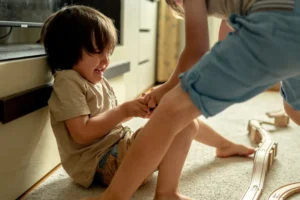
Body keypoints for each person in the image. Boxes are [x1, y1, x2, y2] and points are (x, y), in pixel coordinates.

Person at [85, 0, 300, 199]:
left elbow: (196, 50)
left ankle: (114, 197)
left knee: (171, 109)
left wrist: (168, 88)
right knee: (294, 109)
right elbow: (226, 40)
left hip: (280, 21)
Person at [40, 4, 254, 197]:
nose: (106, 61)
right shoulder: (67, 81)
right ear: (67, 49)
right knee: (182, 122)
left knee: (179, 114)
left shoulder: (92, 77)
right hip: (98, 162)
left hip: (115, 149)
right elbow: (82, 133)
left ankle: (223, 145)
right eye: (97, 52)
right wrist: (125, 110)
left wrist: (146, 107)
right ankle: (167, 193)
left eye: (109, 52)